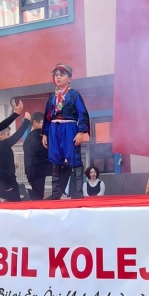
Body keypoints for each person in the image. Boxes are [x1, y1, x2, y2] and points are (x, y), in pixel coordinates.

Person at [43, 63, 90, 200]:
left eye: (62, 75)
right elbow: (47, 116)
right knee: (55, 158)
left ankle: (78, 192)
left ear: (69, 78)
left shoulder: (74, 95)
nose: (58, 77)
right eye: (56, 75)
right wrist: (45, 133)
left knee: (74, 157)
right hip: (54, 129)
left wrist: (81, 131)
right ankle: (56, 192)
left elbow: (82, 113)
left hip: (69, 128)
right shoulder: (52, 97)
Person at [0, 112, 31, 201]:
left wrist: (11, 166)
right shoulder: (4, 144)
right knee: (16, 202)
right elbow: (17, 136)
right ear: (0, 135)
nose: (9, 136)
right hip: (7, 181)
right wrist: (26, 121)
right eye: (8, 134)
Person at [23, 112, 53, 200]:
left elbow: (26, 159)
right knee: (66, 168)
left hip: (32, 170)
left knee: (38, 196)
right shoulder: (41, 134)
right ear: (35, 122)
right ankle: (58, 192)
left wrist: (28, 175)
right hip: (42, 166)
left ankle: (25, 192)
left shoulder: (27, 139)